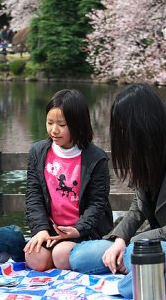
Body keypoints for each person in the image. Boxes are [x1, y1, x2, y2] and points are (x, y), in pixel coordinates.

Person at [68, 84, 166, 298]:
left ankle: (153, 279)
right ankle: (150, 276)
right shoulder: (149, 152)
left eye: (125, 128)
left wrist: (135, 241)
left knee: (134, 252)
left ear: (141, 124)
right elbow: (138, 208)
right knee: (79, 257)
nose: (124, 135)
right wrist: (120, 239)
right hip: (162, 245)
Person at [23, 89, 113, 271]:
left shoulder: (96, 158)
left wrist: (78, 229)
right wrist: (40, 229)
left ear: (78, 124)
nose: (54, 130)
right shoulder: (38, 152)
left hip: (82, 232)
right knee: (34, 257)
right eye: (49, 123)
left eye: (62, 125)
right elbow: (34, 195)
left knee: (61, 255)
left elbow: (98, 203)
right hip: (50, 231)